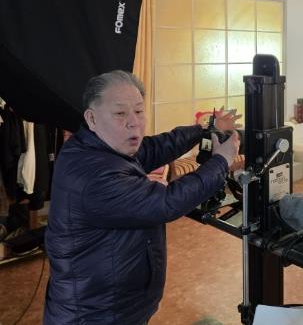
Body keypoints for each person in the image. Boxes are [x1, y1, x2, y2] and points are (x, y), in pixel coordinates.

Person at [44, 70, 243, 324]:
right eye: (120, 113)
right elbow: (166, 202)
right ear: (91, 118)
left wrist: (204, 129)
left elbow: (154, 147)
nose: (134, 122)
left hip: (112, 304)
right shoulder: (93, 174)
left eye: (139, 111)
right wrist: (221, 161)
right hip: (94, 315)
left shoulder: (98, 146)